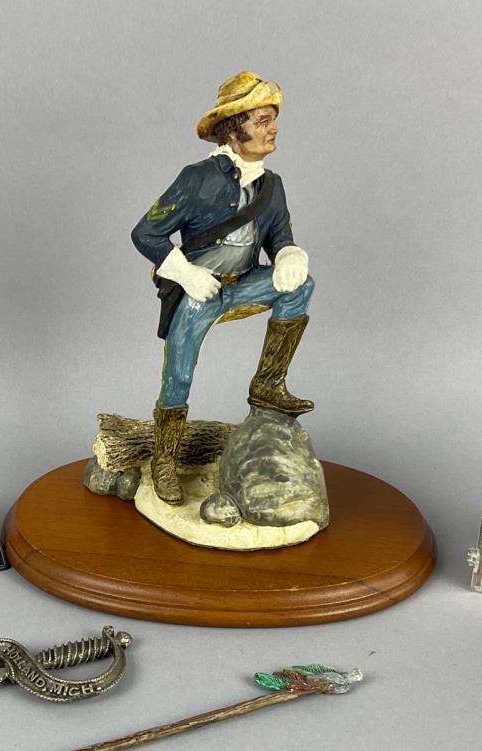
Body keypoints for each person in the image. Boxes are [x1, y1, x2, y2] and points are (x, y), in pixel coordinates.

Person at [131, 71, 316, 504]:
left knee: (301, 286)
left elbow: (280, 238)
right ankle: (164, 458)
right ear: (234, 130)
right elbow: (145, 233)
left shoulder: (273, 186)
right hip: (200, 292)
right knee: (178, 373)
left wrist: (290, 254)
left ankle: (267, 384)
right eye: (262, 120)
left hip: (244, 285)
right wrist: (186, 273)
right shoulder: (197, 178)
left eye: (273, 119)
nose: (273, 128)